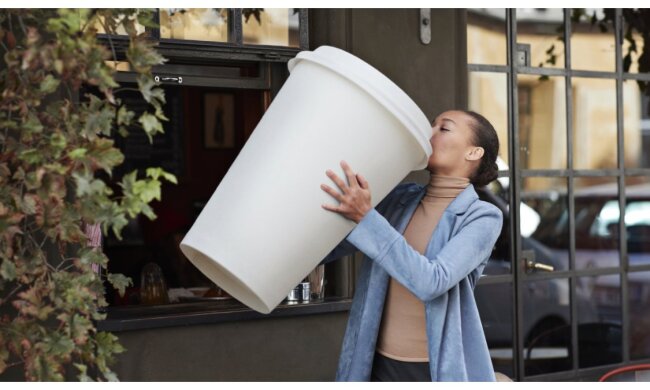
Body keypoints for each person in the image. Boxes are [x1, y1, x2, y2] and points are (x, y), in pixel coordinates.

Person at [319, 110, 503, 381]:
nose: (430, 132)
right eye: (432, 124)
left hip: (433, 370)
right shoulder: (401, 198)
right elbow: (332, 246)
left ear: (473, 153)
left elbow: (432, 281)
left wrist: (367, 218)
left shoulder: (483, 217)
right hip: (374, 363)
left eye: (444, 128)